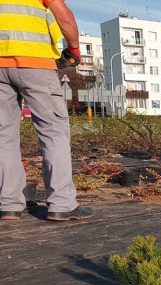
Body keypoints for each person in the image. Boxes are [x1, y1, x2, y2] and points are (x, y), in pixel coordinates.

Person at [0, 0, 93, 221]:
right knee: (54, 133)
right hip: (36, 65)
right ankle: (62, 204)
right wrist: (74, 49)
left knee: (3, 137)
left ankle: (8, 205)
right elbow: (64, 16)